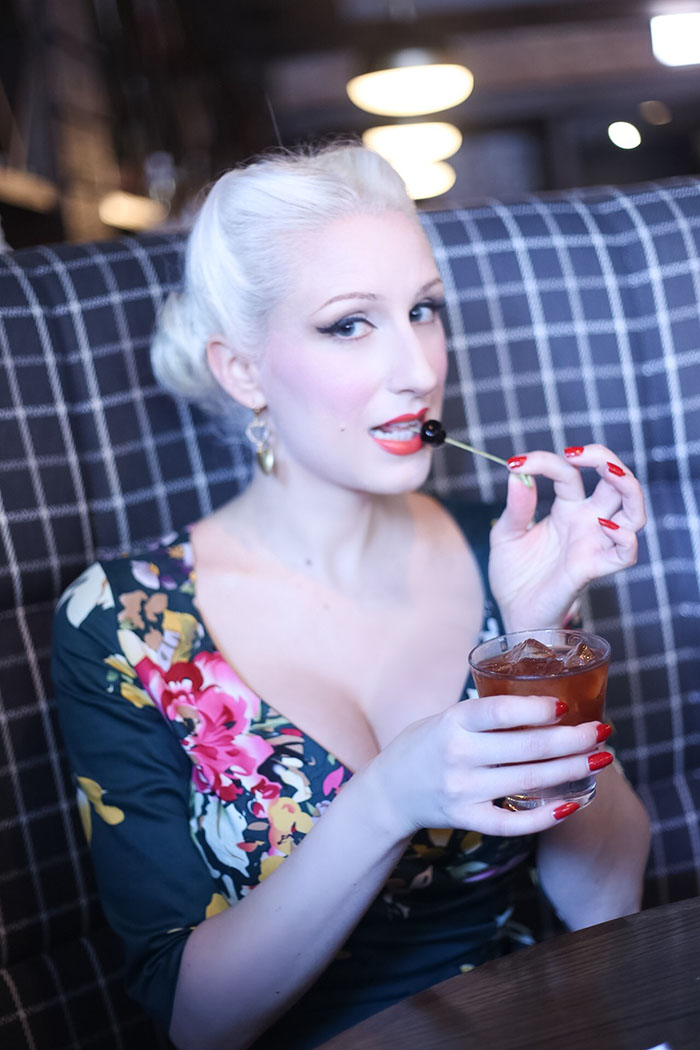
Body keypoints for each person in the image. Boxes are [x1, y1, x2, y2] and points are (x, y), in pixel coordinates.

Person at [52, 143, 650, 1050]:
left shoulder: (504, 547)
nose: (417, 368)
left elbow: (605, 903)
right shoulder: (123, 622)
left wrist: (538, 641)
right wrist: (387, 800)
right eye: (349, 324)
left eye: (424, 310)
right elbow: (196, 1022)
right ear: (242, 370)